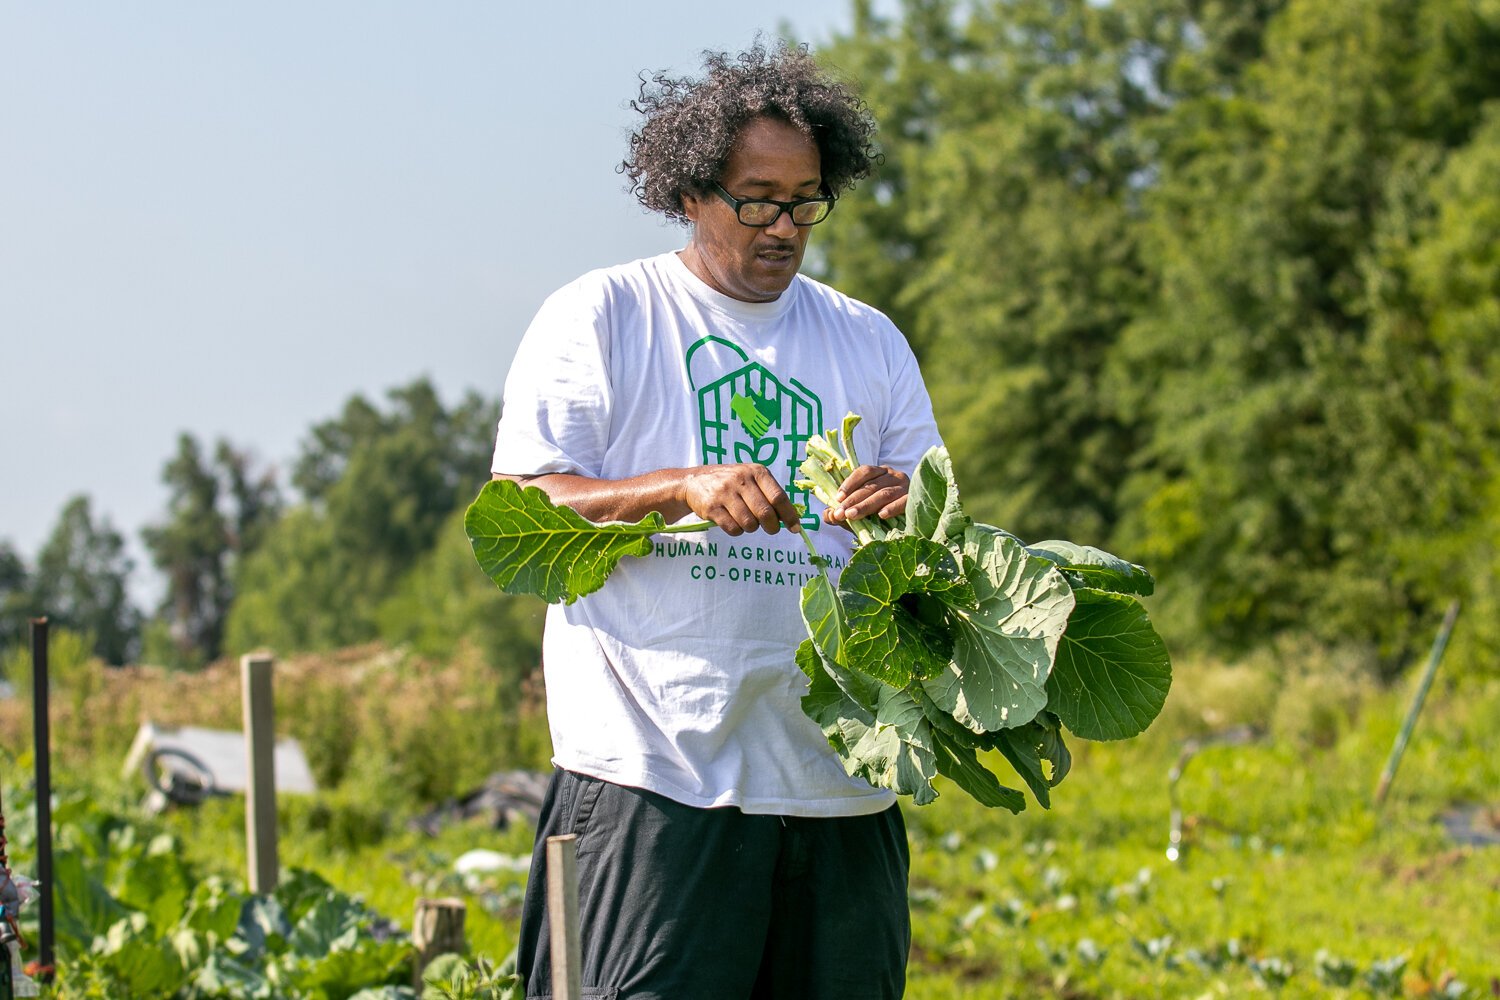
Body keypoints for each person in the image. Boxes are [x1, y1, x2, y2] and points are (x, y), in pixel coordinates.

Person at [492, 39, 941, 999]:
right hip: (658, 780)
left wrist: (906, 509)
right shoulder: (605, 316)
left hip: (840, 787)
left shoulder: (868, 338)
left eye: (805, 200)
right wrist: (680, 487)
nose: (783, 226)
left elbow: (935, 536)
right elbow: (524, 506)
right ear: (690, 194)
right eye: (756, 198)